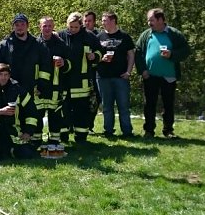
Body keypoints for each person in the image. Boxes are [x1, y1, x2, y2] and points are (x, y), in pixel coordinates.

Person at [0, 13, 52, 145]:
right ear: (13, 27)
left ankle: (35, 141)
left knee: (33, 113)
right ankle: (12, 142)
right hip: (10, 89)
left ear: (27, 26)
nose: (19, 27)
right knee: (13, 116)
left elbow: (46, 66)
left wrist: (41, 84)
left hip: (32, 87)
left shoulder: (38, 44)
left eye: (22, 24)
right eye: (16, 25)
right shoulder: (4, 45)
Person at [136, 8, 191, 139]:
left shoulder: (174, 34)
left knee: (168, 105)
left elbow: (186, 50)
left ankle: (168, 131)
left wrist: (172, 55)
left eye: (152, 20)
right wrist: (142, 70)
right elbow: (138, 52)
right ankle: (149, 131)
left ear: (160, 20)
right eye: (148, 20)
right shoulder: (146, 35)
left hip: (169, 76)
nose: (149, 23)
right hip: (150, 76)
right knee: (149, 104)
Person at [59, 12, 103, 145]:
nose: (72, 30)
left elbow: (100, 51)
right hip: (65, 80)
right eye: (70, 27)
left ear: (81, 25)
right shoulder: (61, 36)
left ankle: (81, 137)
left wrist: (94, 56)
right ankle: (63, 135)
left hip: (82, 81)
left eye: (75, 27)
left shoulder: (89, 36)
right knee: (63, 109)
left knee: (82, 110)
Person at [97, 11, 135, 138]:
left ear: (113, 21)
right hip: (103, 77)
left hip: (121, 77)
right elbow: (94, 56)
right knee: (107, 107)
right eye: (102, 21)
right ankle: (108, 130)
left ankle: (127, 131)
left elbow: (131, 55)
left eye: (105, 20)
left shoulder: (124, 36)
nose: (102, 23)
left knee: (123, 106)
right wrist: (102, 58)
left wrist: (129, 72)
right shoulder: (99, 37)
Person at [36, 16, 71, 144]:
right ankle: (36, 140)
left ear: (53, 27)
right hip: (39, 87)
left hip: (56, 86)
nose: (47, 28)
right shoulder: (35, 44)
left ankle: (54, 140)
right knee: (37, 115)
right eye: (44, 25)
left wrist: (64, 63)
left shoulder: (61, 44)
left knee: (55, 114)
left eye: (50, 26)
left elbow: (70, 64)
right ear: (40, 27)